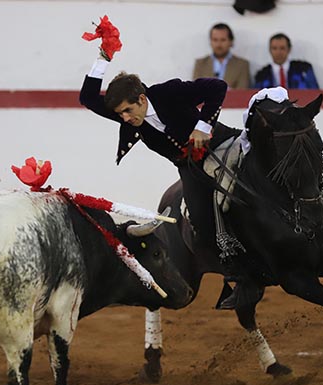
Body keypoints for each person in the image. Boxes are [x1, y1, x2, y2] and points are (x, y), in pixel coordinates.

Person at [80, 48, 247, 308]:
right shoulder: (127, 114)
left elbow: (217, 86)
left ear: (142, 98)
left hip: (222, 144)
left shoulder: (169, 92)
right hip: (191, 169)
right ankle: (237, 276)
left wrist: (202, 126)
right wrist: (103, 58)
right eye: (120, 114)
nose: (124, 119)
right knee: (200, 221)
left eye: (127, 111)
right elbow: (88, 98)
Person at [193, 23, 250, 89]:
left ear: (231, 42)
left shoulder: (242, 65)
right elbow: (196, 90)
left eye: (223, 40)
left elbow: (242, 91)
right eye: (215, 40)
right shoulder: (200, 64)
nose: (218, 44)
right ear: (210, 42)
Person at [254, 33, 319, 89]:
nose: (278, 52)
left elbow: (314, 92)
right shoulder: (261, 75)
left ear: (289, 49)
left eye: (282, 48)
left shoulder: (304, 69)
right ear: (270, 50)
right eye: (274, 48)